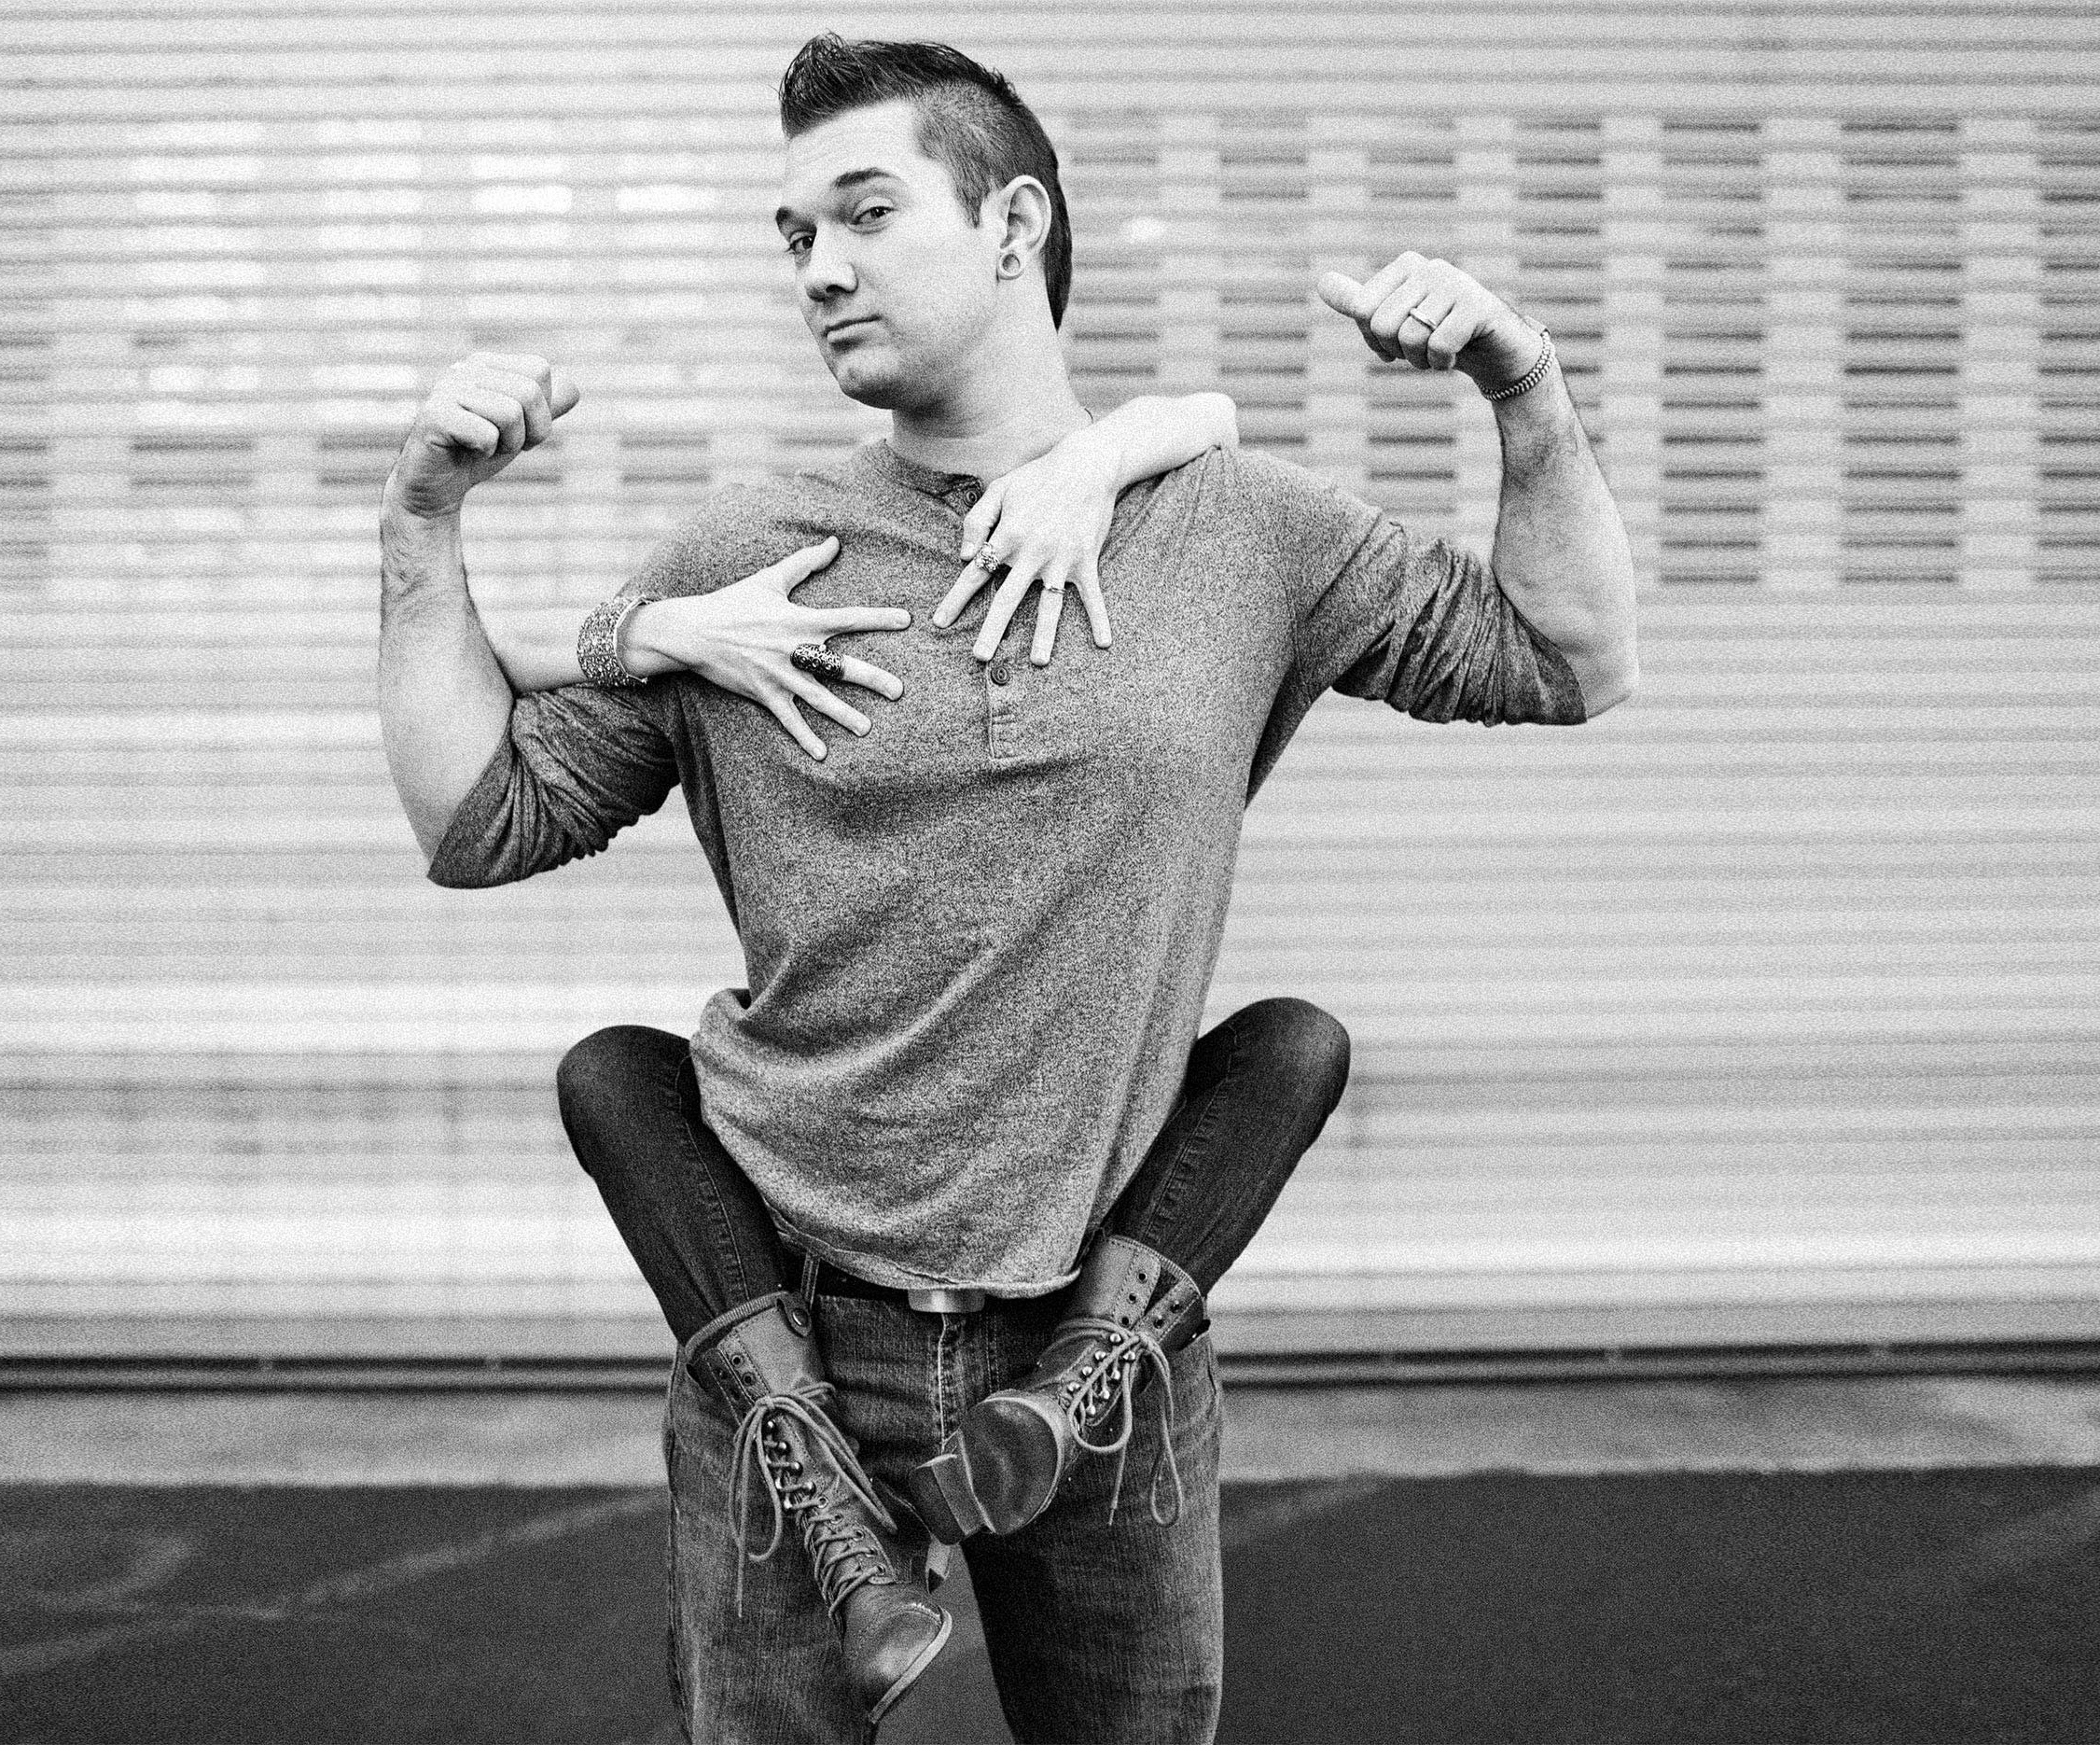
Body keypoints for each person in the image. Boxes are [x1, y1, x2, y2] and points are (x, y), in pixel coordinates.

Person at [375, 31, 1638, 1743]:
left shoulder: (1241, 531)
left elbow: (1571, 658)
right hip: (786, 1323)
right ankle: (813, 1455)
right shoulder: (746, 560)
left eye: (865, 212)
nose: (819, 269)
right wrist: (424, 520)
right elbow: (478, 820)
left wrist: (1524, 386)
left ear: (1014, 223)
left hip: (1100, 1344)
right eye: (794, 234)